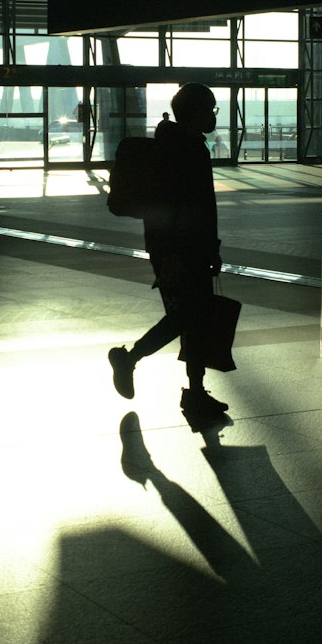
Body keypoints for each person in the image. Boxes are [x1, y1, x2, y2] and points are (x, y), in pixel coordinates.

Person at [109, 83, 229, 428]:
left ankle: (195, 391)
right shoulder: (177, 151)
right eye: (211, 109)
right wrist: (172, 253)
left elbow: (202, 206)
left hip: (192, 249)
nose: (213, 115)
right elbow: (168, 207)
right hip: (176, 252)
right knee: (183, 317)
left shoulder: (190, 146)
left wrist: (212, 246)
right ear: (196, 112)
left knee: (195, 319)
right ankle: (128, 358)